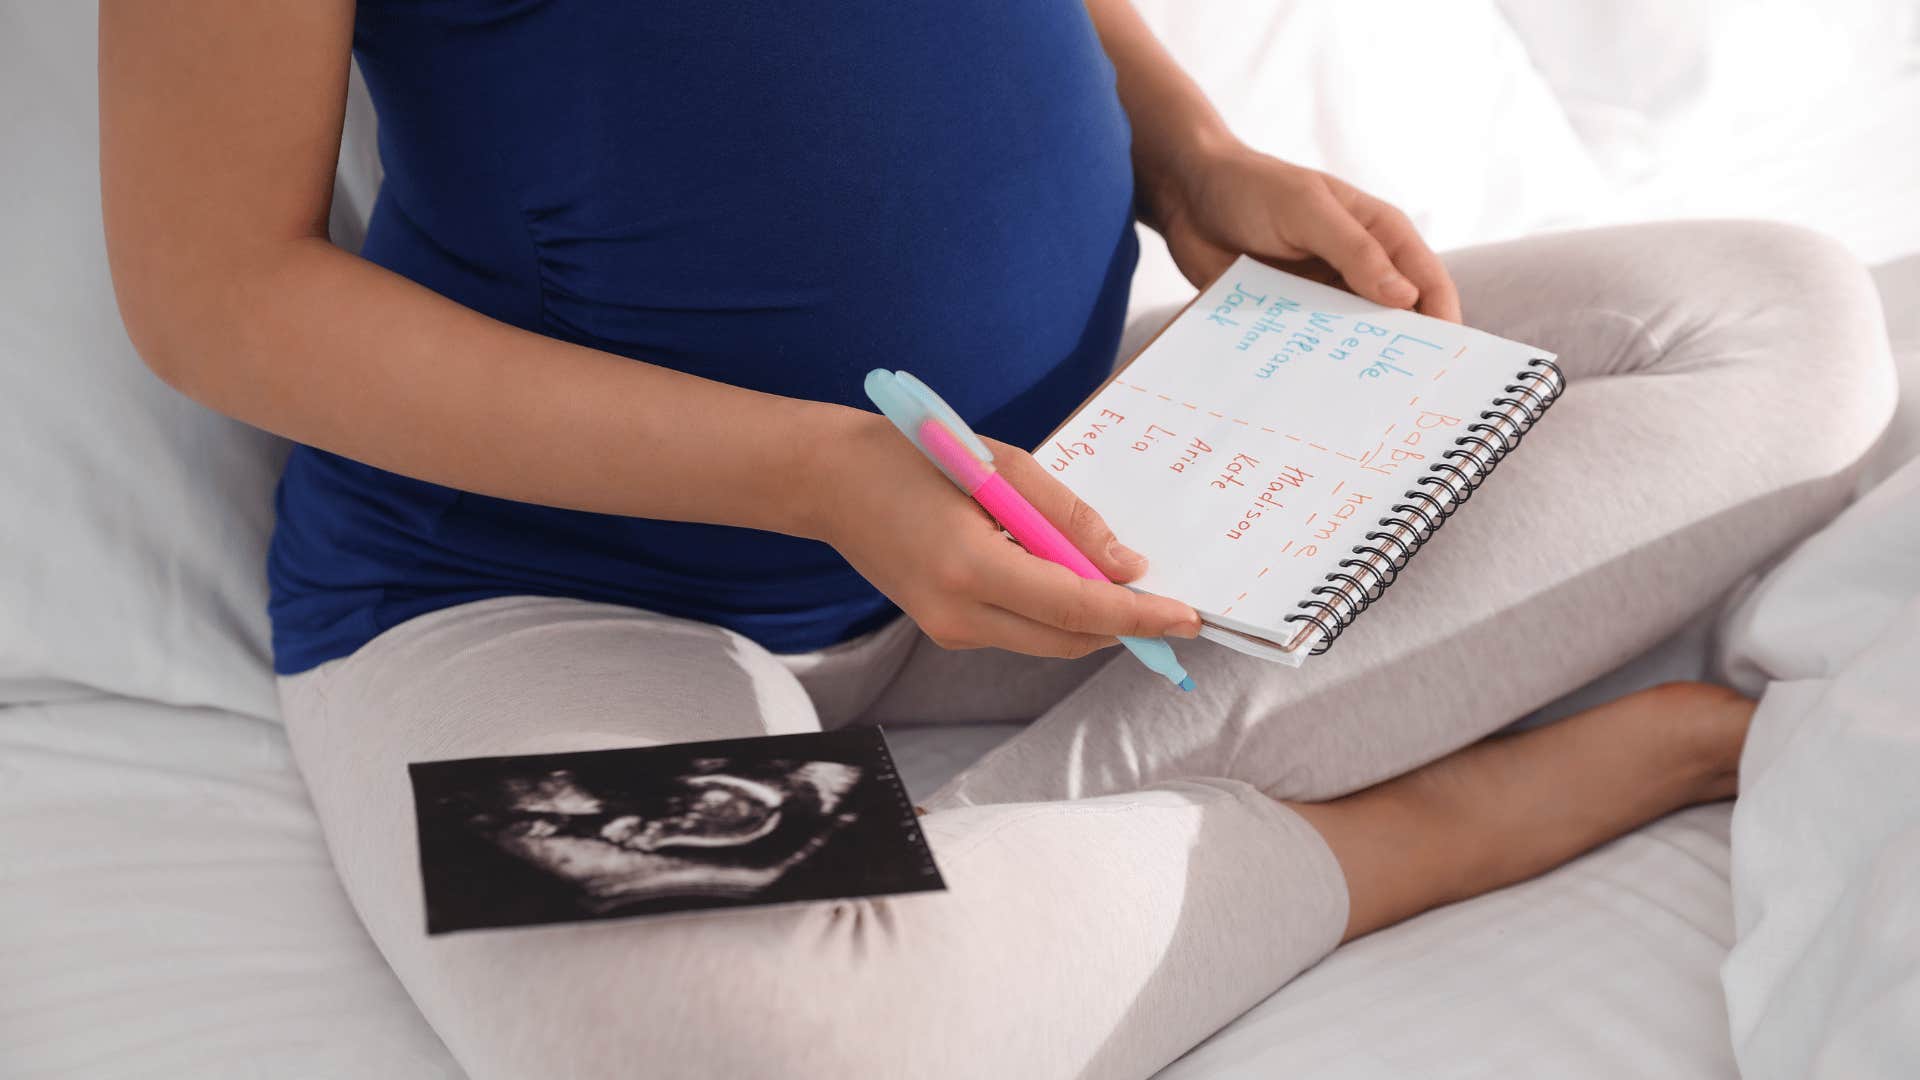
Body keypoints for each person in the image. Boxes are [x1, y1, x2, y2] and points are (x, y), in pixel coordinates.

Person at [99, 2, 1893, 1077]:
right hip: (540, 598)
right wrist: (822, 478)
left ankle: (952, 863)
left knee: (1775, 326)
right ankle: (1400, 833)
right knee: (747, 1048)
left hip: (1076, 475)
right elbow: (218, 296)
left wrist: (1185, 147)